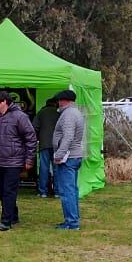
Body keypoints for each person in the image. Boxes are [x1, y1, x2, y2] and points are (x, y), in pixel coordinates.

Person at [0, 91, 37, 231]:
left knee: (9, 191)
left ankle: (6, 221)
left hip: (13, 162)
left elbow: (31, 138)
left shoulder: (20, 117)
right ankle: (13, 215)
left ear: (4, 102)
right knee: (2, 191)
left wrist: (29, 159)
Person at [52, 89, 85, 230]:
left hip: (68, 157)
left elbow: (68, 137)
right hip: (74, 155)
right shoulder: (75, 112)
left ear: (63, 100)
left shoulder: (68, 115)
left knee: (67, 191)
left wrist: (59, 154)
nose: (58, 103)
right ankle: (73, 219)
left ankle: (71, 222)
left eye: (59, 100)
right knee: (72, 190)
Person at [33, 96, 60, 197]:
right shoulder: (59, 113)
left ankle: (43, 191)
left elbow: (34, 127)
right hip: (57, 144)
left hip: (44, 143)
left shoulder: (41, 112)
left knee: (44, 168)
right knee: (57, 168)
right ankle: (57, 192)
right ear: (55, 103)